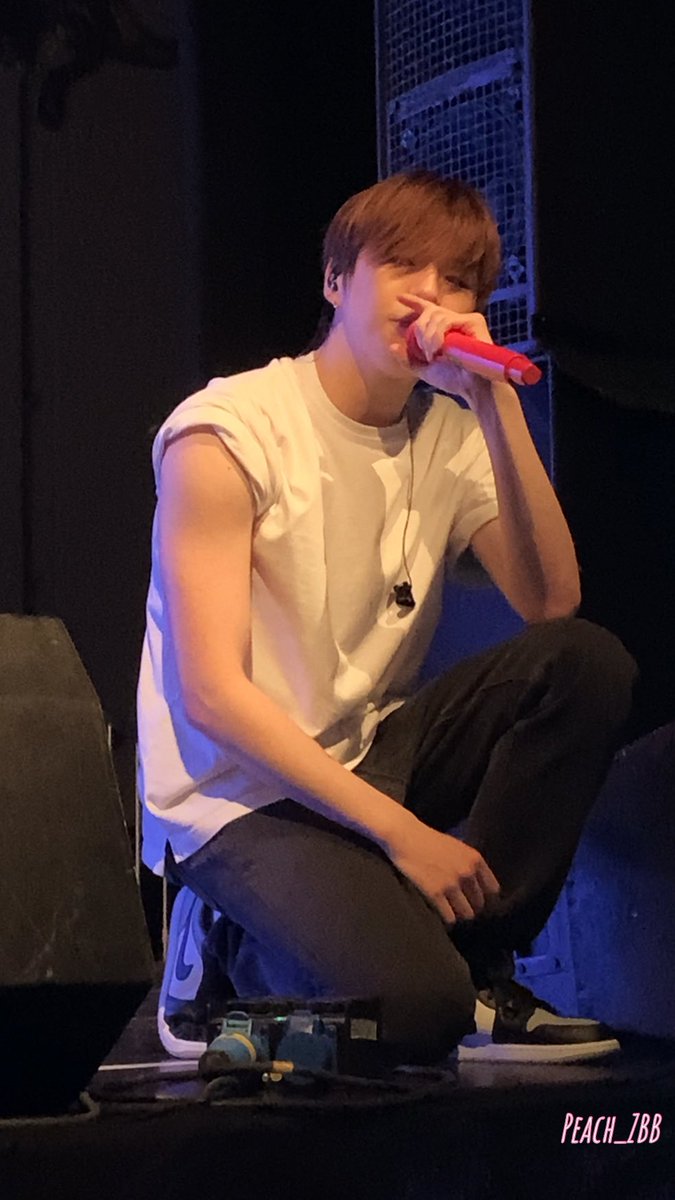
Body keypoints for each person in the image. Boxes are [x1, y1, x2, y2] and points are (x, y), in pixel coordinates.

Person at [136, 170, 637, 1069]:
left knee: (581, 664)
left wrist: (492, 399)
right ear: (336, 281)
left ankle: (478, 967)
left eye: (457, 281)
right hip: (237, 793)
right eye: (404, 266)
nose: (430, 297)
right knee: (413, 1014)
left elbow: (551, 602)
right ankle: (225, 951)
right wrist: (404, 836)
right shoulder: (226, 430)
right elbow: (209, 696)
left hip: (365, 756)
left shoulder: (450, 431)